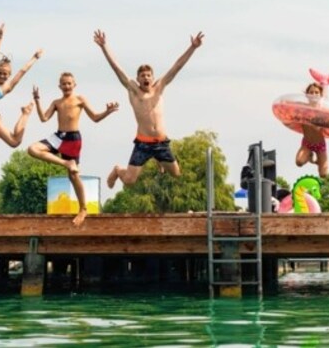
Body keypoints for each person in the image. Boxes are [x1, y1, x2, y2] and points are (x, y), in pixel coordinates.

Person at [94, 29, 204, 189]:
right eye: (142, 76)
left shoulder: (159, 87)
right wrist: (104, 47)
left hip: (161, 143)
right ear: (138, 79)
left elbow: (177, 66)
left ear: (152, 78)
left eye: (148, 75)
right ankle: (118, 171)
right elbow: (117, 68)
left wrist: (192, 47)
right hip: (143, 144)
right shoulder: (133, 90)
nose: (146, 78)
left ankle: (158, 159)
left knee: (176, 173)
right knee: (130, 180)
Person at [27, 72, 119, 226]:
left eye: (69, 83)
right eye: (64, 84)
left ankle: (83, 209)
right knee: (32, 149)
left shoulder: (80, 99)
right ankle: (66, 163)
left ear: (74, 85)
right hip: (58, 137)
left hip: (73, 139)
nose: (66, 86)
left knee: (73, 177)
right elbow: (43, 118)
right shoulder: (56, 102)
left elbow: (95, 117)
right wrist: (37, 100)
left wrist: (107, 112)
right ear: (59, 86)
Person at [0, 23, 43, 147]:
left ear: (9, 75)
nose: (2, 76)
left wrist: (34, 58)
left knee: (14, 142)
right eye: (0, 73)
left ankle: (25, 113)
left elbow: (22, 71)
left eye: (5, 74)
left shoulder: (7, 87)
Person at [295, 83, 328, 177]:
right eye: (311, 92)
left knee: (323, 174)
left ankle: (314, 160)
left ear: (320, 95)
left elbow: (319, 127)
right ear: (307, 95)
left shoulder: (324, 111)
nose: (314, 94)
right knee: (299, 162)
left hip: (320, 144)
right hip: (307, 144)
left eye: (316, 92)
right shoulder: (302, 109)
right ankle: (309, 156)